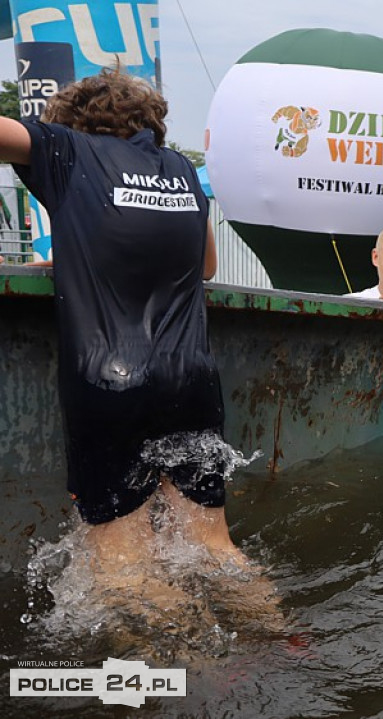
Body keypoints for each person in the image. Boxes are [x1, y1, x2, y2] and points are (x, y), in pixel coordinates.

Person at [0, 69, 261, 604]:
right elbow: (205, 265)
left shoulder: (68, 150)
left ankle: (199, 678)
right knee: (214, 546)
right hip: (192, 381)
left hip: (110, 386)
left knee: (122, 566)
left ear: (74, 121)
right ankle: (281, 643)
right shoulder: (182, 170)